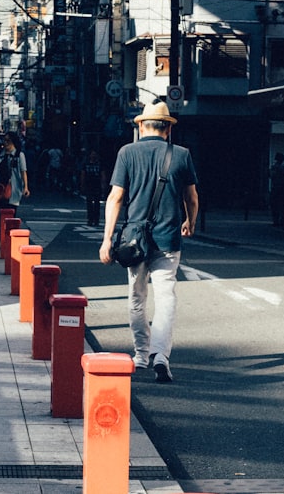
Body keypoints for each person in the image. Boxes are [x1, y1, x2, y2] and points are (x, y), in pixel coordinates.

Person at [99, 100, 199, 384]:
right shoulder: (181, 155)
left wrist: (107, 240)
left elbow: (116, 198)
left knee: (136, 296)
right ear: (168, 128)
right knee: (166, 297)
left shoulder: (127, 153)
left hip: (134, 241)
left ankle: (141, 354)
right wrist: (190, 223)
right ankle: (160, 356)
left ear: (141, 125)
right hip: (168, 238)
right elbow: (191, 198)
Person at [0, 131, 29, 240]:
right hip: (0, 188)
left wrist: (26, 187)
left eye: (8, 141)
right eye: (5, 140)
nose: (5, 143)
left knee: (10, 214)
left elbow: (23, 171)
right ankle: (0, 237)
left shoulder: (19, 155)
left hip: (13, 189)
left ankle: (8, 237)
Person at [80, 150, 106, 227]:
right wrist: (82, 184)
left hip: (97, 185)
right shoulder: (86, 164)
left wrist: (103, 185)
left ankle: (96, 220)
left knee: (97, 203)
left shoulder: (100, 165)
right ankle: (90, 219)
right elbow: (83, 174)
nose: (93, 156)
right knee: (89, 203)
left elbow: (103, 175)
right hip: (89, 185)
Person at [269, 152, 284, 227]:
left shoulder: (273, 167)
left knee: (275, 206)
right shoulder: (282, 168)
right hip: (282, 189)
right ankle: (282, 222)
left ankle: (275, 221)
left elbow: (271, 176)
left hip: (274, 188)